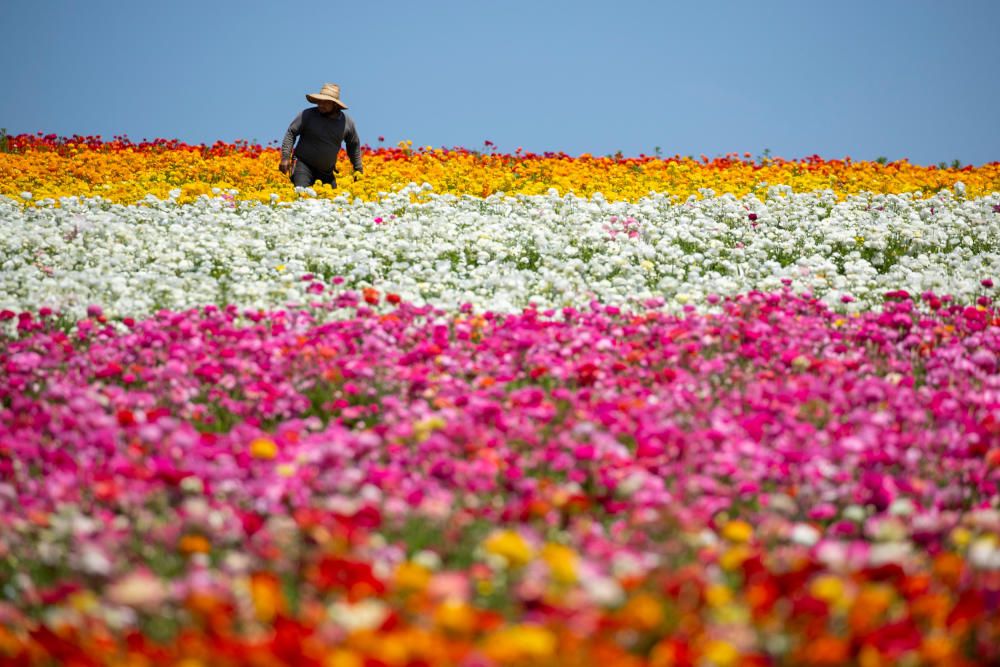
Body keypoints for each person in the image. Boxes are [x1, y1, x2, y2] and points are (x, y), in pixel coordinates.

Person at [279, 83, 363, 188]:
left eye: (325, 102)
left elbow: (353, 145)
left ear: (335, 105)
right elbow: (291, 133)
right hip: (303, 165)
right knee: (301, 194)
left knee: (332, 201)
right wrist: (285, 158)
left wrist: (358, 170)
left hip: (326, 172)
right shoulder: (307, 115)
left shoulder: (347, 123)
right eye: (319, 101)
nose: (321, 105)